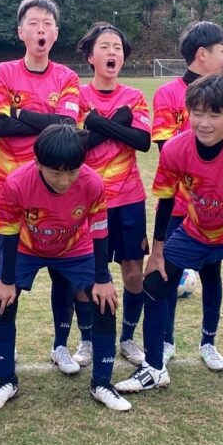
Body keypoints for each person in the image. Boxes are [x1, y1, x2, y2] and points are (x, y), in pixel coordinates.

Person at [114, 75, 223, 422]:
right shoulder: (175, 148)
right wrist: (157, 253)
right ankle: (154, 368)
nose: (204, 122)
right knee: (154, 283)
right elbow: (166, 202)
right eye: (197, 113)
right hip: (195, 230)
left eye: (214, 114)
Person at [0, 124, 128, 412]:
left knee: (105, 302)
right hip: (26, 248)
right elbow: (8, 233)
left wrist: (103, 278)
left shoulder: (93, 183)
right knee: (2, 302)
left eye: (72, 172)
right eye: (55, 173)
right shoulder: (16, 184)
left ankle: (102, 383)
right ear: (37, 162)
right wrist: (7, 279)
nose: (65, 181)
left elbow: (100, 230)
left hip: (75, 248)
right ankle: (6, 381)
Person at [0, 0, 82, 375]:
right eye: (33, 23)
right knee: (7, 273)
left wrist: (20, 111)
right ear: (20, 31)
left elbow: (68, 125)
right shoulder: (4, 72)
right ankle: (4, 353)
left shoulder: (67, 77)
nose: (41, 30)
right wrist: (47, 120)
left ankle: (61, 345)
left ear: (56, 33)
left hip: (58, 190)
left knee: (63, 275)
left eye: (47, 24)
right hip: (11, 191)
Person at [142, 21, 223, 372]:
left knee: (212, 274)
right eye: (222, 51)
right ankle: (166, 342)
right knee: (168, 275)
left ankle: (209, 342)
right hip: (179, 206)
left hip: (214, 208)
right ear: (202, 54)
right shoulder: (168, 94)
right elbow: (168, 151)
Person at [73, 22, 152, 369]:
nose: (111, 52)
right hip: (86, 199)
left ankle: (128, 338)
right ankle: (87, 339)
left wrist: (97, 122)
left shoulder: (134, 97)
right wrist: (119, 122)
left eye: (117, 47)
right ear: (91, 57)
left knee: (133, 273)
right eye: (104, 47)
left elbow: (142, 141)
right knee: (86, 273)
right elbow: (78, 145)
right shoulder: (76, 96)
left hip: (128, 198)